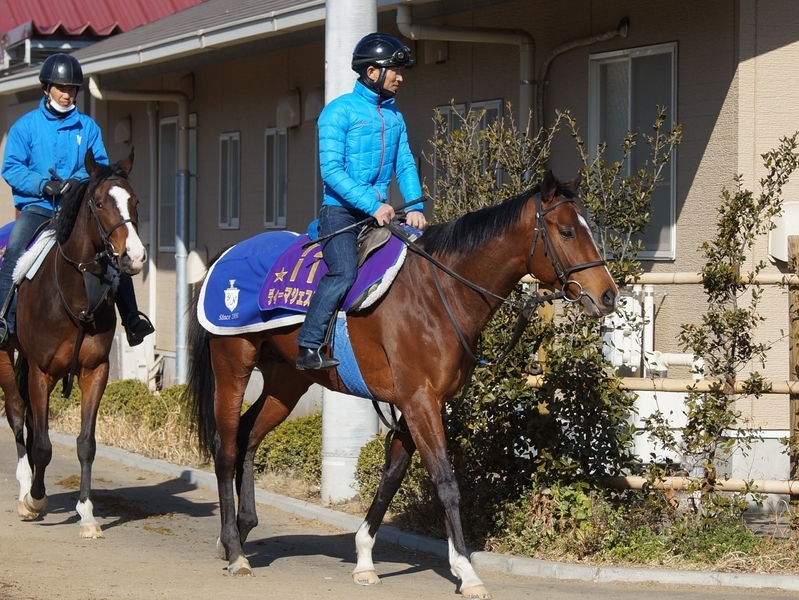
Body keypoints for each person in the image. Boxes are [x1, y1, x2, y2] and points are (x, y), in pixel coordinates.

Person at [0, 52, 154, 348]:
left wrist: (80, 182)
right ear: (47, 88)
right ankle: (4, 320)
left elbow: (102, 171)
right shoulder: (25, 126)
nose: (67, 94)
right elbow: (11, 167)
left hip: (80, 210)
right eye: (61, 88)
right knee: (17, 248)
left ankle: (132, 318)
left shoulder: (88, 127)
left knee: (114, 253)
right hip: (39, 207)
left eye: (71, 89)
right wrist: (43, 185)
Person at [296, 32, 427, 370]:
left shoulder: (396, 118)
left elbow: (406, 164)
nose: (401, 77)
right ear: (372, 72)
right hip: (340, 213)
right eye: (394, 70)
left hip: (380, 214)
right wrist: (373, 204)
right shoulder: (337, 112)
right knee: (343, 271)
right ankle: (309, 346)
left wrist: (414, 206)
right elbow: (332, 172)